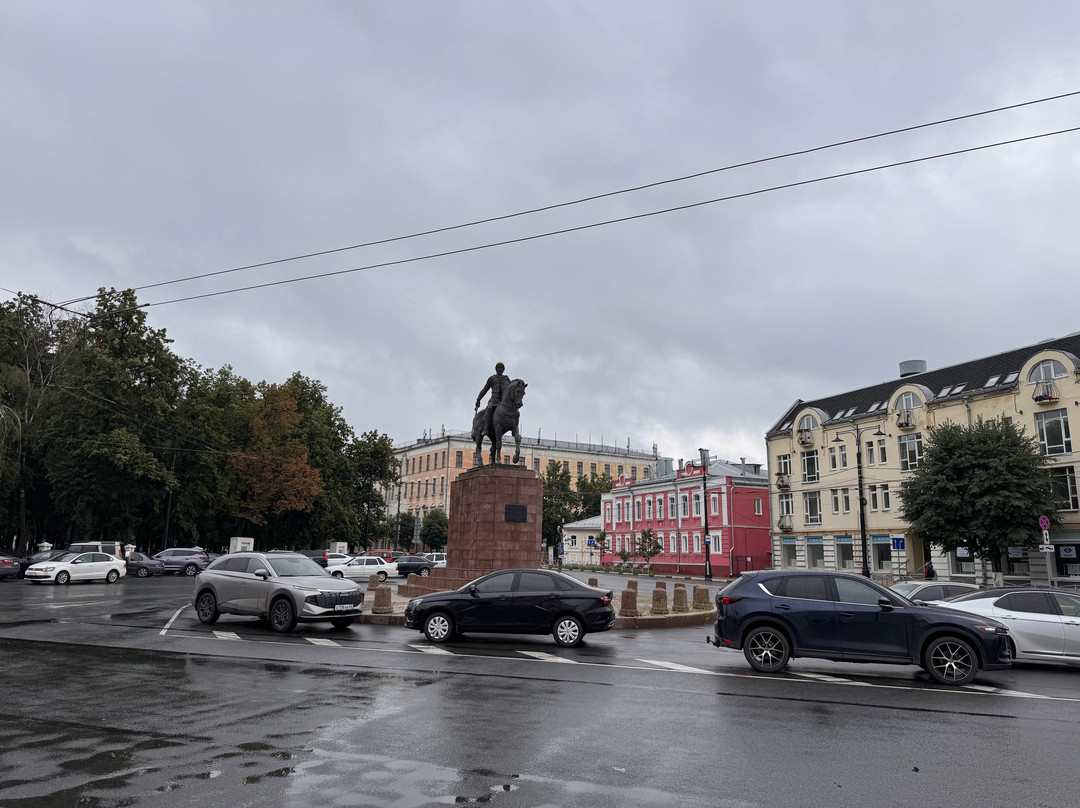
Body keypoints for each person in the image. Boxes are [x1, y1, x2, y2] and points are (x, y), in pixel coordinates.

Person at [474, 362, 509, 432]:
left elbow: (511, 389)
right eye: (498, 367)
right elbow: (484, 390)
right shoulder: (492, 379)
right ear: (496, 369)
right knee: (489, 409)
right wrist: (478, 399)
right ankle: (486, 429)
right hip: (494, 401)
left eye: (501, 368)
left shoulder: (506, 379)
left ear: (503, 369)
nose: (500, 369)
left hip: (503, 402)